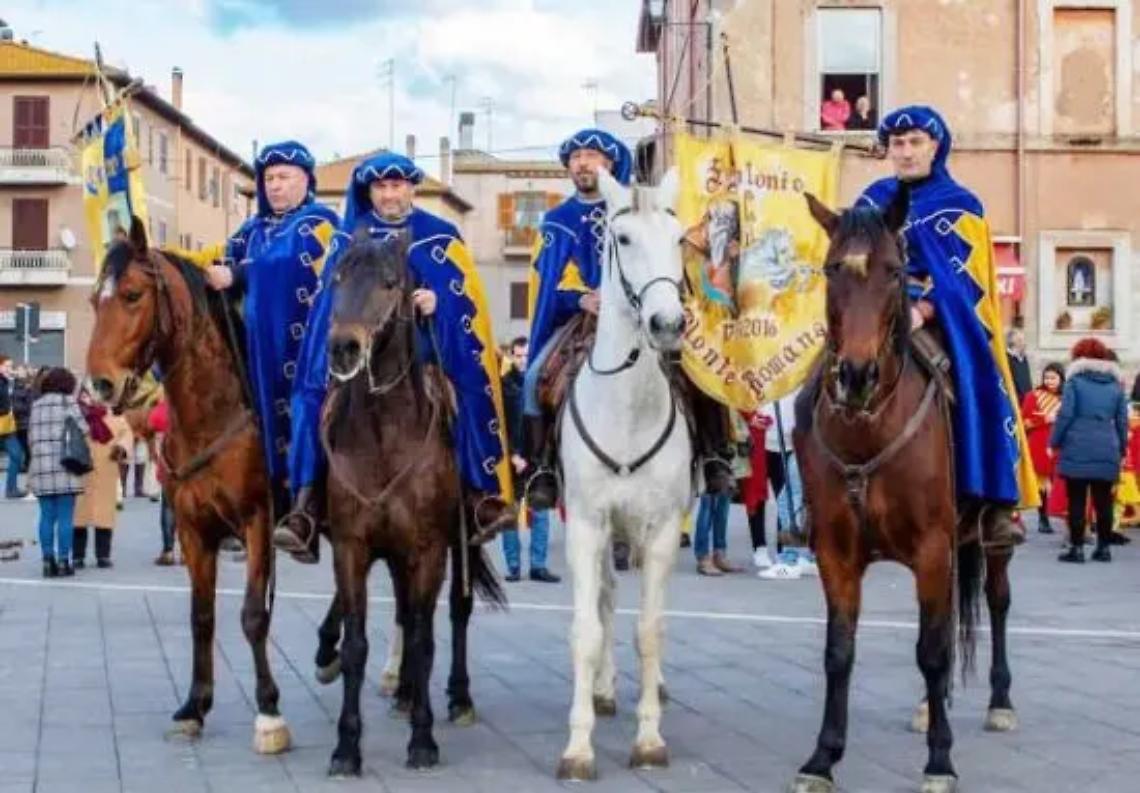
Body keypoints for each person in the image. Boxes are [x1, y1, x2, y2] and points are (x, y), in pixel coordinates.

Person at [288, 151, 516, 553]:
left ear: (412, 188)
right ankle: (306, 506)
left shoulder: (439, 235)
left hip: (421, 354)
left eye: (396, 186)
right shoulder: (348, 237)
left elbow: (466, 300)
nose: (389, 195)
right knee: (310, 401)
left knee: (466, 394)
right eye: (380, 187)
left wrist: (438, 300)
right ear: (369, 191)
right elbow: (328, 300)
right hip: (354, 359)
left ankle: (478, 496)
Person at [519, 128, 735, 511]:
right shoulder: (557, 220)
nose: (583, 163)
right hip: (582, 319)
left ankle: (715, 455)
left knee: (699, 368)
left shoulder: (641, 209)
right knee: (536, 375)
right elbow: (548, 280)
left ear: (610, 164)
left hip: (642, 315)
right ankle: (542, 469)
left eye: (592, 156)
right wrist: (580, 297)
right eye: (575, 157)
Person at [857, 105, 1038, 548]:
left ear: (936, 147)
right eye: (897, 144)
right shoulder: (871, 199)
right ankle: (815, 498)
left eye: (915, 142)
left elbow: (968, 278)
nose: (905, 153)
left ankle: (994, 501)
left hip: (935, 315)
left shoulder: (960, 204)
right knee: (826, 373)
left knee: (977, 377)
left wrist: (926, 309)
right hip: (875, 311)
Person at [204, 141, 341, 563]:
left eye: (285, 178)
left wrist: (239, 274)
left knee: (304, 410)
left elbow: (288, 264)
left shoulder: (320, 222)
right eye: (269, 179)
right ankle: (235, 508)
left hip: (310, 351)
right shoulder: (249, 231)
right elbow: (218, 264)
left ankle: (304, 509)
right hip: (258, 351)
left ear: (306, 181)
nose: (276, 186)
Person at [1051, 338, 1128, 563]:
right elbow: (1122, 421)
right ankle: (1103, 548)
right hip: (1107, 444)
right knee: (1103, 500)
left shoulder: (1075, 382)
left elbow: (1065, 415)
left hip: (1077, 444)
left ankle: (1076, 549)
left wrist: (1054, 440)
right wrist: (1122, 447)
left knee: (1076, 499)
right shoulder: (1116, 385)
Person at [499, 336, 559, 583]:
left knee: (541, 513)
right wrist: (512, 455)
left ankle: (538, 566)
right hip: (512, 461)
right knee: (510, 514)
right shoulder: (503, 386)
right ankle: (513, 566)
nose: (523, 360)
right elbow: (499, 426)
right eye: (519, 355)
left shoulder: (540, 385)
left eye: (527, 356)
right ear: (511, 356)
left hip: (537, 459)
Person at [27, 367, 87, 578]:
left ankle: (47, 561)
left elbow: (31, 437)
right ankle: (63, 561)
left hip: (41, 469)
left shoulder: (36, 405)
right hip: (66, 468)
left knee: (46, 517)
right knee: (65, 517)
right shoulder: (68, 403)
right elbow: (83, 430)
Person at [72, 390, 132, 569]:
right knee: (79, 517)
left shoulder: (115, 418)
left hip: (107, 469)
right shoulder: (77, 417)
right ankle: (77, 555)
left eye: (91, 395)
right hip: (81, 471)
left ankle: (103, 555)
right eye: (85, 395)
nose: (89, 399)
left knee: (105, 516)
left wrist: (121, 447)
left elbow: (127, 434)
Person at [1020, 362, 1065, 534]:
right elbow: (1024, 422)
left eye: (1053, 378)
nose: (1050, 381)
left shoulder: (1067, 398)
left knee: (1060, 482)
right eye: (1047, 377)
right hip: (1039, 444)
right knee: (1043, 484)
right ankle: (1043, 518)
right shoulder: (1033, 396)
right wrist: (1044, 419)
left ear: (1061, 379)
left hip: (1061, 445)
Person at [147, 396, 178, 565]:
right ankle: (189, 552)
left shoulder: (163, 407)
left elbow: (150, 425)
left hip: (169, 463)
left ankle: (168, 551)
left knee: (168, 508)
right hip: (193, 464)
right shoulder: (192, 404)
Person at [0, 356, 25, 498]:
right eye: (7, 366)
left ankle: (11, 489)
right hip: (3, 423)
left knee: (17, 454)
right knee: (16, 454)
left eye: (11, 366)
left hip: (7, 426)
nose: (10, 369)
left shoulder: (7, 382)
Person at [1006, 328, 1033, 404]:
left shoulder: (1024, 359)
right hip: (1014, 403)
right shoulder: (1006, 360)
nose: (1024, 343)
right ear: (1012, 343)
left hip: (1026, 402)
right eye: (1020, 340)